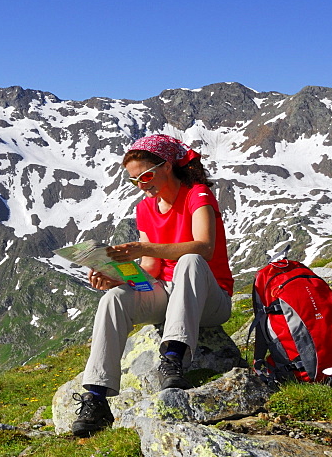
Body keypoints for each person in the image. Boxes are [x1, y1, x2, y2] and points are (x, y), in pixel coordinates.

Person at [71, 133, 234, 437]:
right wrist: (115, 277)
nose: (142, 184)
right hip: (168, 296)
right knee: (114, 298)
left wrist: (145, 249)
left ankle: (173, 358)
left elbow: (204, 247)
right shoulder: (146, 208)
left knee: (190, 261)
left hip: (211, 298)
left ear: (167, 166)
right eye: (135, 180)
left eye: (146, 175)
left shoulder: (197, 195)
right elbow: (150, 270)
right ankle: (96, 396)